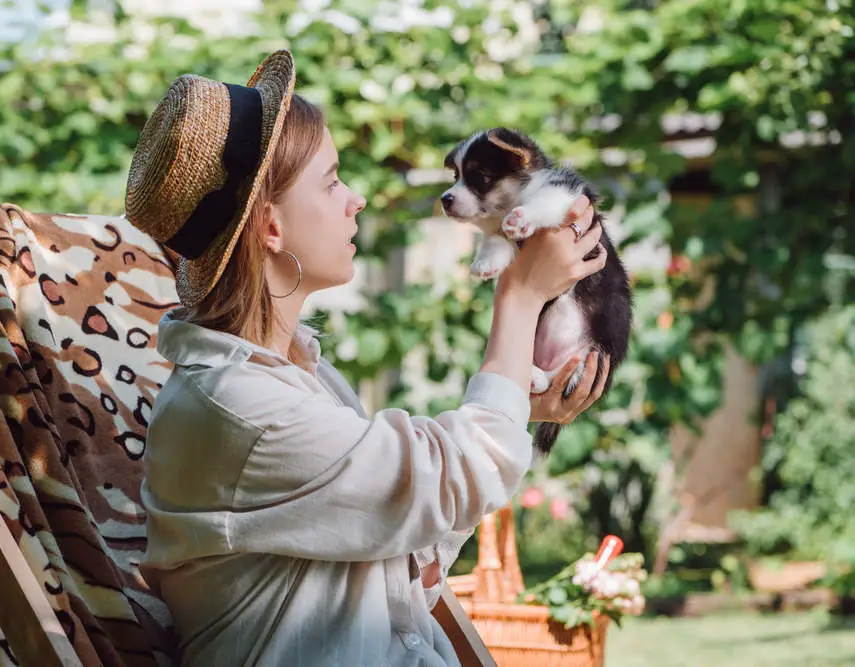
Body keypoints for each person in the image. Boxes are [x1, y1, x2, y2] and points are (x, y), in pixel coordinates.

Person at [124, 50, 610, 667]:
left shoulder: (297, 374)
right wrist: (520, 297)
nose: (354, 200)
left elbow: (405, 528)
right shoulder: (239, 407)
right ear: (270, 228)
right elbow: (443, 480)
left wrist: (521, 402)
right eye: (331, 182)